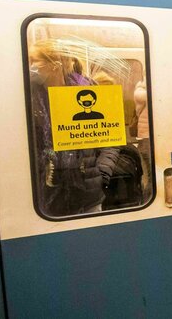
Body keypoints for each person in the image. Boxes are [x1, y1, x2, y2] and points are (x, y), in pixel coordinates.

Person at [28, 40, 114, 216]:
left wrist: (102, 172)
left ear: (54, 66)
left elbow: (111, 136)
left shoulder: (89, 90)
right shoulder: (30, 95)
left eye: (35, 62)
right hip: (46, 192)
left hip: (88, 191)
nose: (31, 68)